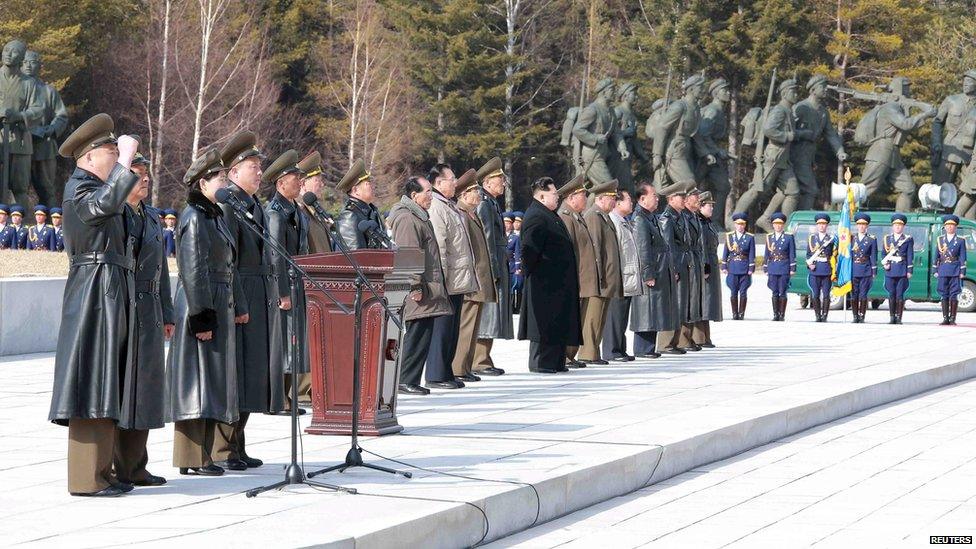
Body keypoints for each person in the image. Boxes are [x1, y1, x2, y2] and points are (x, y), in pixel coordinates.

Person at [47, 113, 140, 497]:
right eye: (110, 151)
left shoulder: (95, 187)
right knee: (91, 380)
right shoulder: (79, 188)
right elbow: (102, 206)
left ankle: (103, 471)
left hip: (109, 288)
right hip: (93, 292)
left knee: (107, 381)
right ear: (88, 157)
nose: (118, 157)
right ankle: (87, 477)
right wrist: (125, 163)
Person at [167, 147, 239, 477]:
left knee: (210, 381)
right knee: (196, 381)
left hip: (215, 300)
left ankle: (203, 455)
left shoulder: (214, 213)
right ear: (202, 182)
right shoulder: (194, 216)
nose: (225, 182)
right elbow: (192, 268)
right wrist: (201, 315)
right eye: (220, 177)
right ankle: (192, 457)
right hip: (201, 303)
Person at [214, 130, 281, 470]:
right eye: (252, 166)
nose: (259, 172)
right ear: (234, 171)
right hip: (241, 295)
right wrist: (239, 303)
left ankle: (238, 443)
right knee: (236, 373)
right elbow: (230, 260)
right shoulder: (229, 206)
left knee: (252, 373)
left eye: (259, 166)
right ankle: (223, 447)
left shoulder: (254, 204)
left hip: (259, 294)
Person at [115, 149, 173, 487]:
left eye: (147, 174)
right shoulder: (117, 213)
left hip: (150, 307)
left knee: (147, 388)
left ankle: (137, 465)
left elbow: (163, 269)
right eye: (137, 174)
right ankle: (117, 465)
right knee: (124, 386)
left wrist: (167, 311)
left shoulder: (152, 216)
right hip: (125, 305)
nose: (145, 179)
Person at [389, 176, 452, 395]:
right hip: (417, 287)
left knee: (422, 332)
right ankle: (405, 379)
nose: (430, 196)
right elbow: (408, 255)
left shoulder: (419, 216)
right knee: (416, 333)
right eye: (427, 191)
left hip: (427, 284)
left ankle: (411, 378)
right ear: (414, 195)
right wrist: (414, 286)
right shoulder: (408, 218)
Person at [263, 149, 311, 412]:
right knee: (284, 343)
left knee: (294, 342)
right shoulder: (275, 212)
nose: (300, 182)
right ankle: (278, 397)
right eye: (296, 178)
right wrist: (282, 292)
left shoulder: (295, 208)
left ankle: (287, 394)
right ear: (281, 183)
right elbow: (275, 254)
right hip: (285, 287)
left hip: (298, 283)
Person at [519, 177, 581, 373]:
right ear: (542, 195)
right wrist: (534, 274)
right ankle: (541, 362)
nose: (557, 197)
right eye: (555, 194)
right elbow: (529, 250)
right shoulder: (536, 215)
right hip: (543, 281)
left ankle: (555, 361)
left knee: (557, 322)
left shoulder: (549, 214)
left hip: (557, 282)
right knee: (543, 324)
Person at [426, 163, 478, 389]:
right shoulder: (437, 207)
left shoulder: (449, 205)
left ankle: (446, 371)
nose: (455, 182)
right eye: (451, 178)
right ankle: (436, 374)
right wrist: (442, 281)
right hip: (447, 279)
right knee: (442, 329)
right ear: (439, 183)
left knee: (452, 329)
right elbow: (440, 247)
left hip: (457, 279)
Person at [733, 79, 802, 232]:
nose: (796, 94)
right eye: (793, 91)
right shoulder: (779, 110)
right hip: (774, 157)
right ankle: (735, 220)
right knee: (757, 190)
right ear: (784, 93)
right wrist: (787, 136)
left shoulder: (787, 111)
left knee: (792, 192)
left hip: (783, 158)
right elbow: (769, 130)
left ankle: (769, 220)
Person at [861, 77, 936, 211]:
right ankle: (844, 217)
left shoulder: (897, 107)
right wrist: (925, 114)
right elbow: (905, 124)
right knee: (865, 189)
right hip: (881, 152)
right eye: (906, 87)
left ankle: (900, 222)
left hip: (893, 153)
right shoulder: (890, 108)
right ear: (899, 89)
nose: (909, 90)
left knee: (908, 189)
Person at [454, 169, 496, 382]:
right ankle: (459, 367)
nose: (478, 195)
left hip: (479, 278)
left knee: (474, 324)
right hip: (471, 280)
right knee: (466, 325)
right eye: (474, 191)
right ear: (463, 195)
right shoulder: (461, 214)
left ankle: (467, 366)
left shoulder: (473, 214)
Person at [472, 157, 510, 377]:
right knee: (488, 312)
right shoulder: (485, 204)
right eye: (499, 180)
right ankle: (480, 359)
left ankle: (484, 357)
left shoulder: (491, 203)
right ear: (487, 183)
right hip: (490, 265)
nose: (503, 184)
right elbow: (486, 240)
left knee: (492, 313)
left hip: (497, 261)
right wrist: (492, 269)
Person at [557, 173, 599, 367]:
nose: (585, 198)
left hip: (583, 278)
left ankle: (570, 354)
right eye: (583, 194)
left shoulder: (576, 216)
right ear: (571, 197)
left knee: (579, 317)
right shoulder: (566, 217)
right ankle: (565, 354)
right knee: (571, 318)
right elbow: (568, 251)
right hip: (577, 278)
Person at [629, 183, 674, 358]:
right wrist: (647, 273)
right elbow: (643, 249)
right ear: (642, 199)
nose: (657, 198)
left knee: (654, 308)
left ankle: (649, 346)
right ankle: (642, 348)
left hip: (659, 268)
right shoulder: (640, 219)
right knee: (646, 308)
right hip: (650, 270)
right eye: (653, 195)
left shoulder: (650, 217)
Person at [581, 179, 622, 363]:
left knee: (600, 318)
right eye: (613, 198)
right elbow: (595, 248)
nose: (614, 202)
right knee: (593, 317)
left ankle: (593, 351)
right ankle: (588, 353)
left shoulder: (603, 216)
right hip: (599, 277)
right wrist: (599, 275)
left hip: (607, 277)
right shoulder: (594, 216)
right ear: (602, 198)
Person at [22, 50, 69, 208]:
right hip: (19, 147)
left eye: (32, 62)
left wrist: (49, 130)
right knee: (17, 189)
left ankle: (52, 227)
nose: (28, 65)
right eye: (24, 62)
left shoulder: (48, 91)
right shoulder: (12, 93)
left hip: (44, 146)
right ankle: (13, 228)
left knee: (47, 189)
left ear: (39, 66)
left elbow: (61, 116)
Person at [0, 40, 43, 209]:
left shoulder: (29, 83)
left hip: (20, 140)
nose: (8, 54)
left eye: (14, 51)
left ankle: (20, 228)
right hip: (1, 138)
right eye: (5, 50)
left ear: (22, 58)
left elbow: (38, 110)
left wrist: (18, 115)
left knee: (19, 187)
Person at [602, 188, 640, 361]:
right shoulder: (614, 222)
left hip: (628, 274)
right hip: (619, 275)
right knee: (615, 314)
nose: (631, 203)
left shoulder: (625, 221)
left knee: (622, 314)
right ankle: (611, 350)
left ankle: (620, 348)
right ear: (618, 203)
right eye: (628, 200)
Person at [658, 186, 693, 353]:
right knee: (673, 304)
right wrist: (673, 268)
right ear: (671, 199)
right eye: (680, 196)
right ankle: (666, 343)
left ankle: (677, 341)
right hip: (675, 264)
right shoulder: (667, 218)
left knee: (681, 304)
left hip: (683, 263)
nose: (684, 199)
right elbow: (668, 246)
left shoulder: (681, 216)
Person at [697, 79, 732, 229]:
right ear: (716, 93)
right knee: (692, 186)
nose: (728, 93)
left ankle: (713, 221)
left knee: (723, 186)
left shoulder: (717, 110)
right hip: (706, 156)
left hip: (711, 155)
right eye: (725, 90)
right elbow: (704, 133)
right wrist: (717, 151)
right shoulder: (713, 110)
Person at [336, 159, 384, 249]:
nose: (372, 187)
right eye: (368, 184)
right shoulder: (349, 215)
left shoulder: (370, 211)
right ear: (356, 190)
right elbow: (354, 256)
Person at [695, 191, 722, 345]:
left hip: (711, 261)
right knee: (704, 300)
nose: (711, 209)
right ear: (701, 206)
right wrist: (705, 266)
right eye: (709, 206)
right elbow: (702, 246)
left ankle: (706, 336)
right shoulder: (700, 223)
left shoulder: (707, 222)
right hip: (706, 263)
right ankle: (700, 337)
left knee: (709, 300)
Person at [680, 189, 705, 351]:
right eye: (696, 198)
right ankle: (683, 339)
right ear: (687, 200)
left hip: (694, 261)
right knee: (685, 301)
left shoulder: (693, 216)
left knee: (693, 300)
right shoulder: (684, 217)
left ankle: (688, 338)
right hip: (685, 262)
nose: (699, 201)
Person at [296, 151, 334, 253]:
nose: (322, 185)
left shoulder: (314, 209)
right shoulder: (298, 210)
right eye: (318, 180)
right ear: (303, 183)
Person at [934, 214, 967, 325]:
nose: (950, 227)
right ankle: (945, 318)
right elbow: (936, 256)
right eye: (948, 225)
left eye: (952, 225)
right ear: (945, 227)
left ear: (955, 227)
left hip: (955, 270)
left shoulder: (960, 240)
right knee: (944, 294)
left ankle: (952, 318)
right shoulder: (940, 240)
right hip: (943, 269)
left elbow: (963, 257)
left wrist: (962, 271)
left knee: (954, 294)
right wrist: (935, 269)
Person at [881, 213, 914, 324]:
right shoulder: (887, 239)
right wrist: (885, 264)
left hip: (901, 269)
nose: (898, 227)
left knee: (900, 294)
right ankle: (891, 317)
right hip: (890, 269)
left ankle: (898, 317)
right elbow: (883, 254)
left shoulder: (907, 239)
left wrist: (909, 270)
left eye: (900, 225)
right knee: (891, 294)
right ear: (892, 226)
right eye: (896, 225)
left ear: (903, 226)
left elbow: (910, 255)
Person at [763, 213, 796, 321]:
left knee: (783, 291)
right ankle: (775, 314)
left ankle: (782, 314)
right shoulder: (769, 237)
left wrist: (792, 268)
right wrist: (765, 267)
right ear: (773, 225)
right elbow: (767, 254)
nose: (778, 226)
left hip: (783, 267)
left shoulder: (788, 237)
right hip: (773, 267)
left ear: (783, 225)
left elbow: (792, 253)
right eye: (776, 224)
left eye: (780, 224)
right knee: (774, 291)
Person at [722, 213, 755, 320]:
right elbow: (725, 252)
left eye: (742, 224)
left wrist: (751, 268)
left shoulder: (749, 237)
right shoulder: (729, 236)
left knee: (743, 292)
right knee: (733, 291)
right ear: (735, 225)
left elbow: (751, 253)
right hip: (733, 267)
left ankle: (741, 313)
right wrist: (724, 266)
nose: (740, 226)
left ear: (745, 225)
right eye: (738, 224)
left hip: (744, 267)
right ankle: (734, 313)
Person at [806, 213, 837, 322]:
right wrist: (809, 264)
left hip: (826, 269)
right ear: (817, 225)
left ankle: (825, 315)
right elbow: (808, 254)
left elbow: (834, 254)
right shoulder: (811, 238)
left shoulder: (831, 239)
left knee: (826, 294)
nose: (822, 226)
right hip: (815, 269)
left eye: (824, 224)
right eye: (819, 224)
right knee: (815, 294)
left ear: (827, 225)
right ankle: (817, 315)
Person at [851, 213, 877, 323]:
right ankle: (855, 315)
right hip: (854, 269)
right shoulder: (852, 238)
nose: (861, 227)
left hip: (866, 269)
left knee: (863, 294)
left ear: (867, 226)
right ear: (857, 226)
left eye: (864, 225)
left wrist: (874, 270)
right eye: (859, 224)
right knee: (854, 294)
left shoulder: (871, 239)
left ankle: (862, 316)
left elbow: (873, 255)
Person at [507, 212, 523, 313]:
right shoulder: (505, 236)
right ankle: (511, 307)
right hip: (507, 266)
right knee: (510, 288)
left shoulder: (517, 237)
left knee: (518, 286)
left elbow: (518, 252)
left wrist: (518, 266)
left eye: (519, 222)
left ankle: (517, 308)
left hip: (515, 266)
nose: (516, 224)